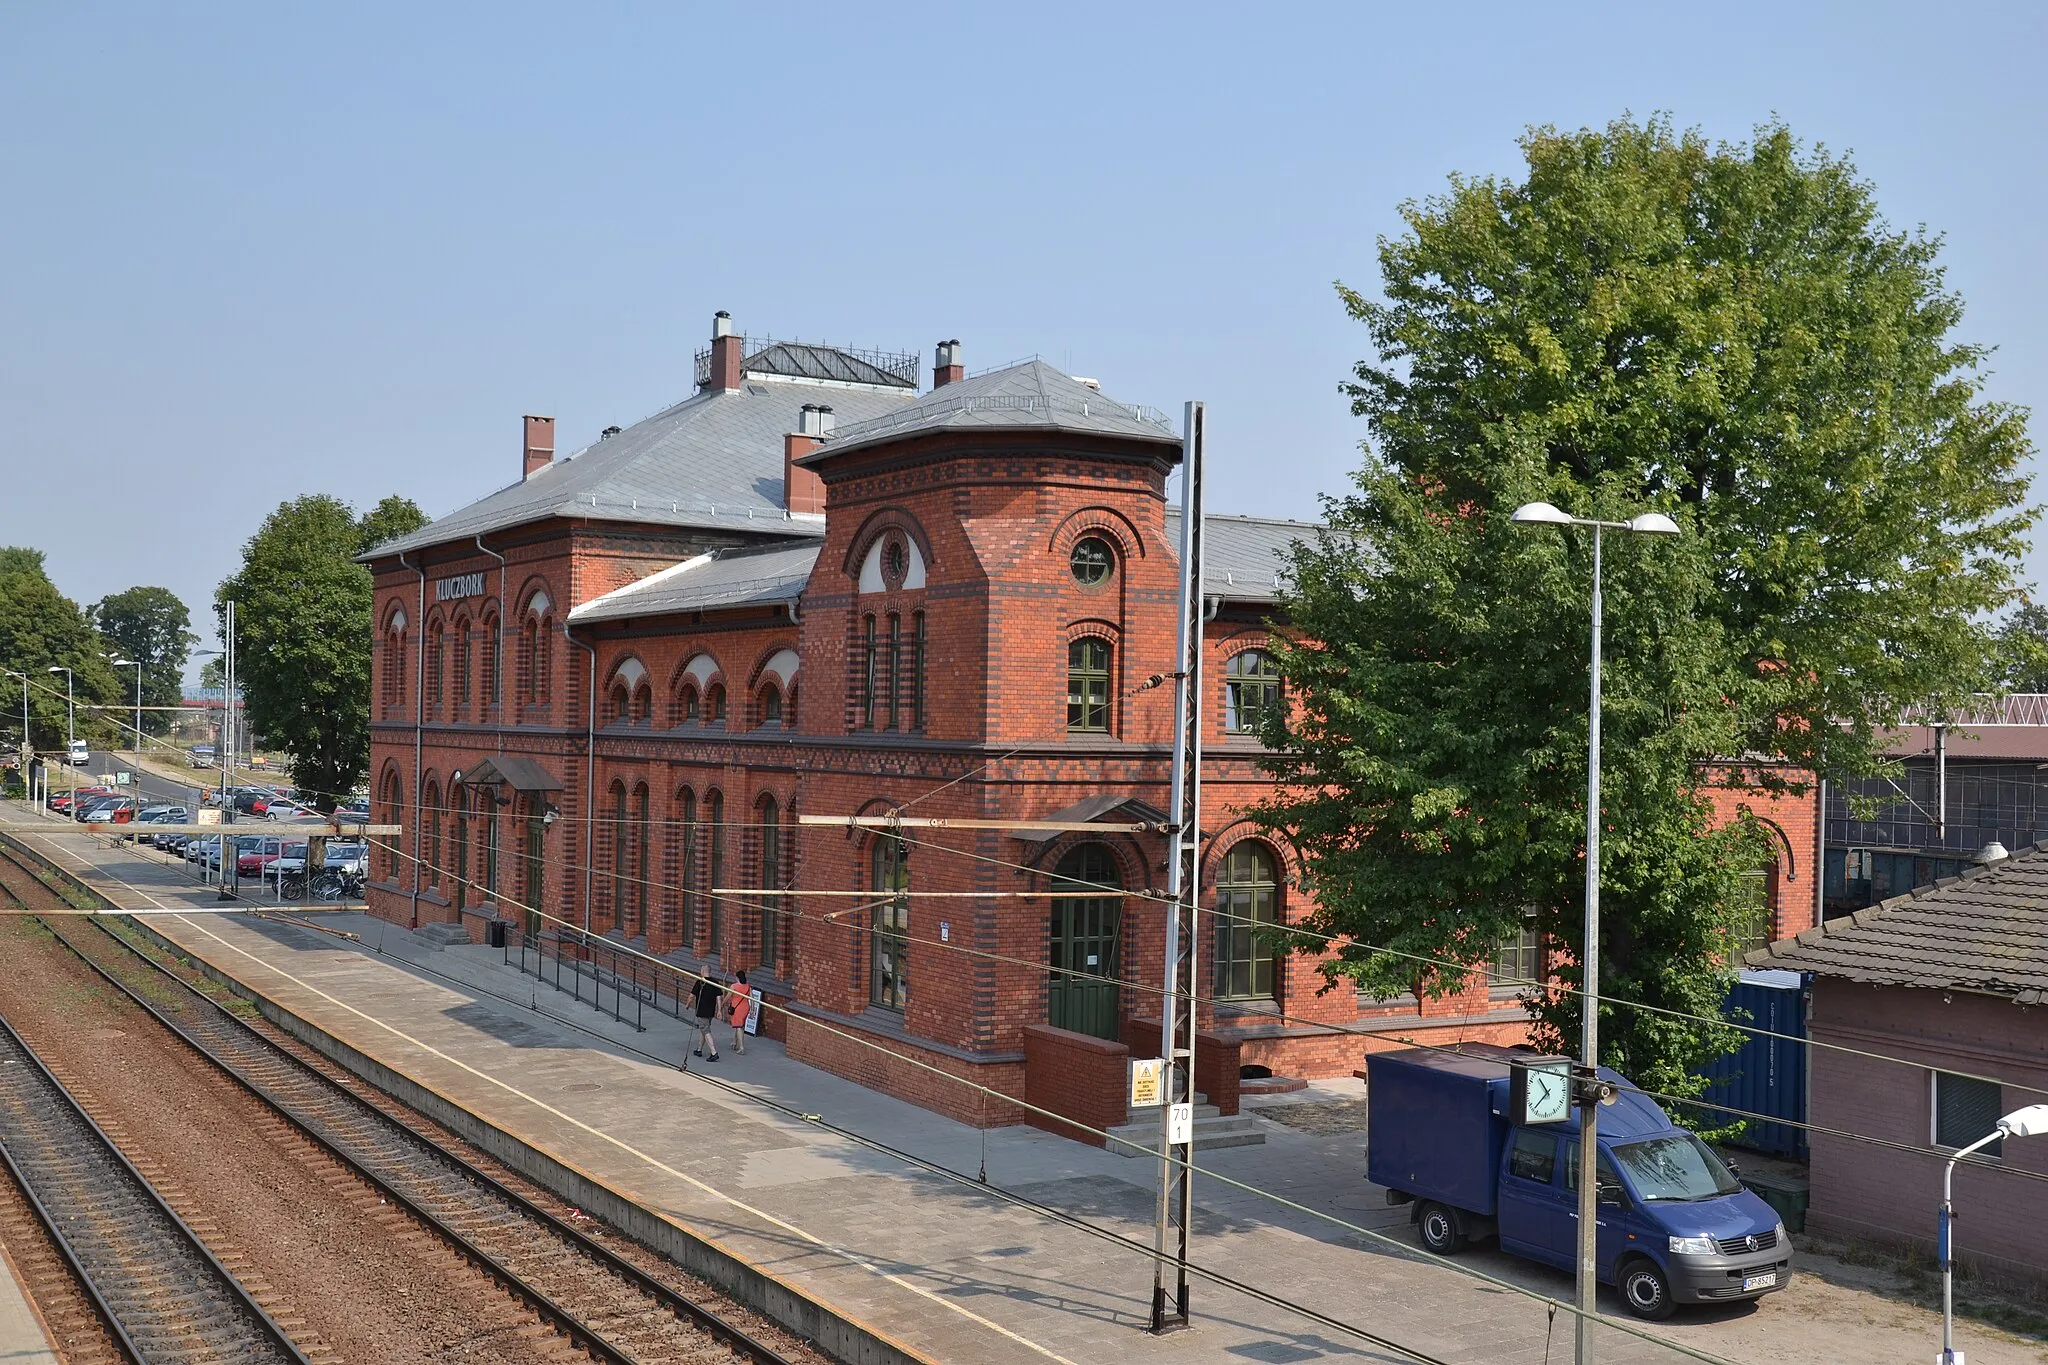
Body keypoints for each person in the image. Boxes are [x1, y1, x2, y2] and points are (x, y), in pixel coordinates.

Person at [689, 971, 723, 1062]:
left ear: (702, 971)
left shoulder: (700, 982)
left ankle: (714, 1052)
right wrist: (719, 1010)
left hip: (701, 1011)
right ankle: (699, 1049)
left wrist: (687, 1004)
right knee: (703, 1029)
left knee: (706, 1030)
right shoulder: (715, 982)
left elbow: (691, 996)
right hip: (710, 1011)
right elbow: (719, 997)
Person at [728, 969, 751, 1055]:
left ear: (737, 977)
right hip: (746, 1008)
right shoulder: (748, 986)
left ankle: (741, 1047)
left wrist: (722, 1004)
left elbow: (728, 996)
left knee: (738, 1026)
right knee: (740, 1025)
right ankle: (734, 1042)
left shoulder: (734, 986)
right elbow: (751, 999)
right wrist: (752, 1010)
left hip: (737, 1008)